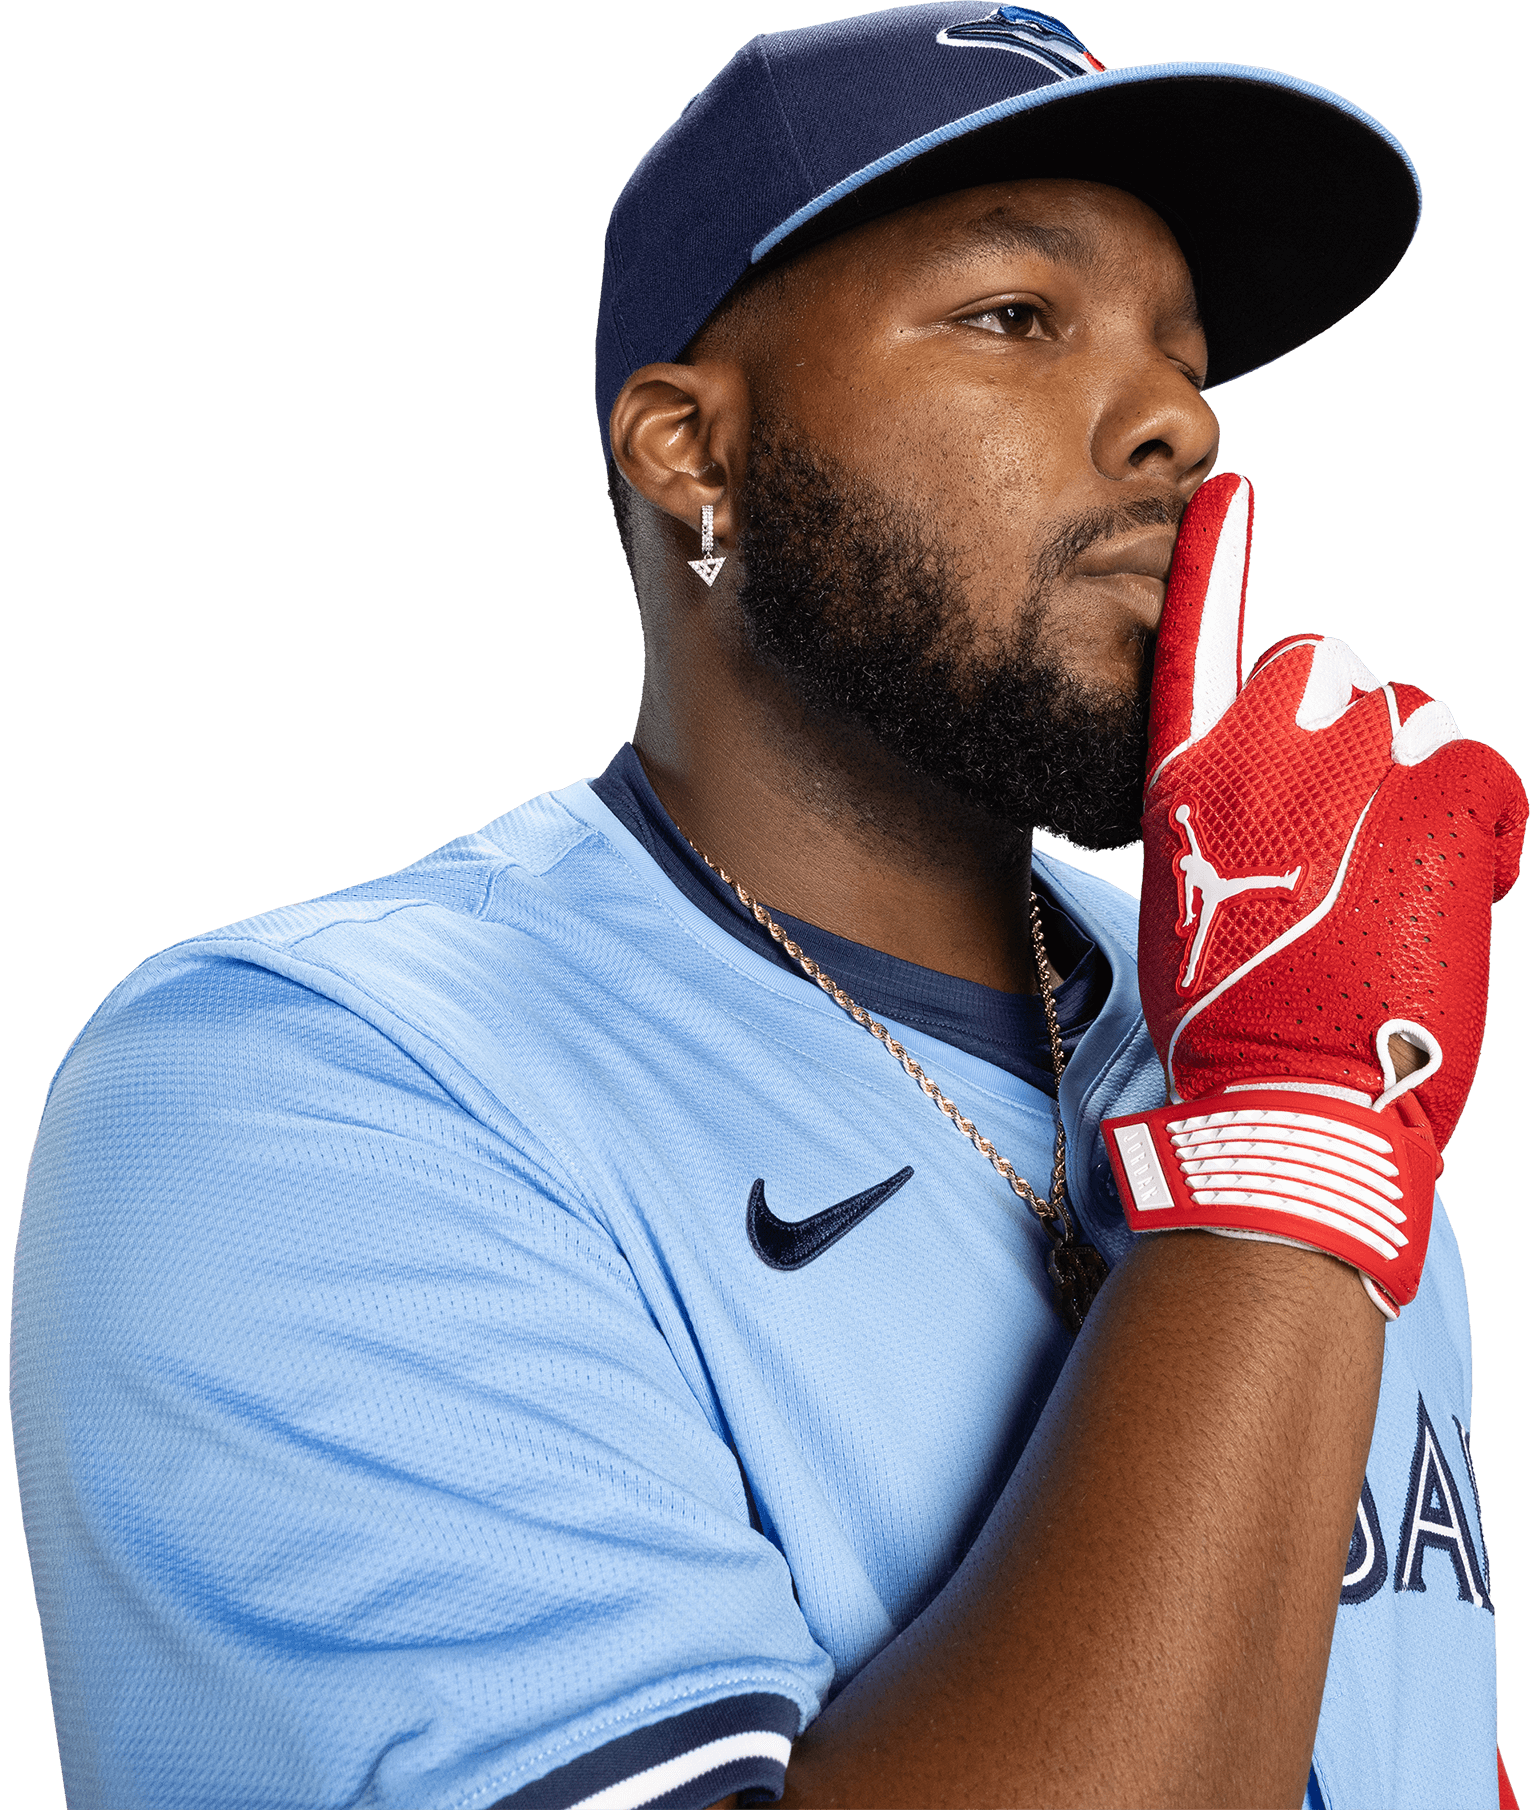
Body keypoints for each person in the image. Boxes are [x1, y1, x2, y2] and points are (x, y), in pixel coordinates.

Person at [12, 8, 1520, 1808]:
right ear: (688, 451)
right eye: (1014, 319)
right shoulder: (308, 1090)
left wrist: (1302, 1087)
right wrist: (1285, 1141)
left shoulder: (1283, 984)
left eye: (1184, 358)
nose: (1176, 424)